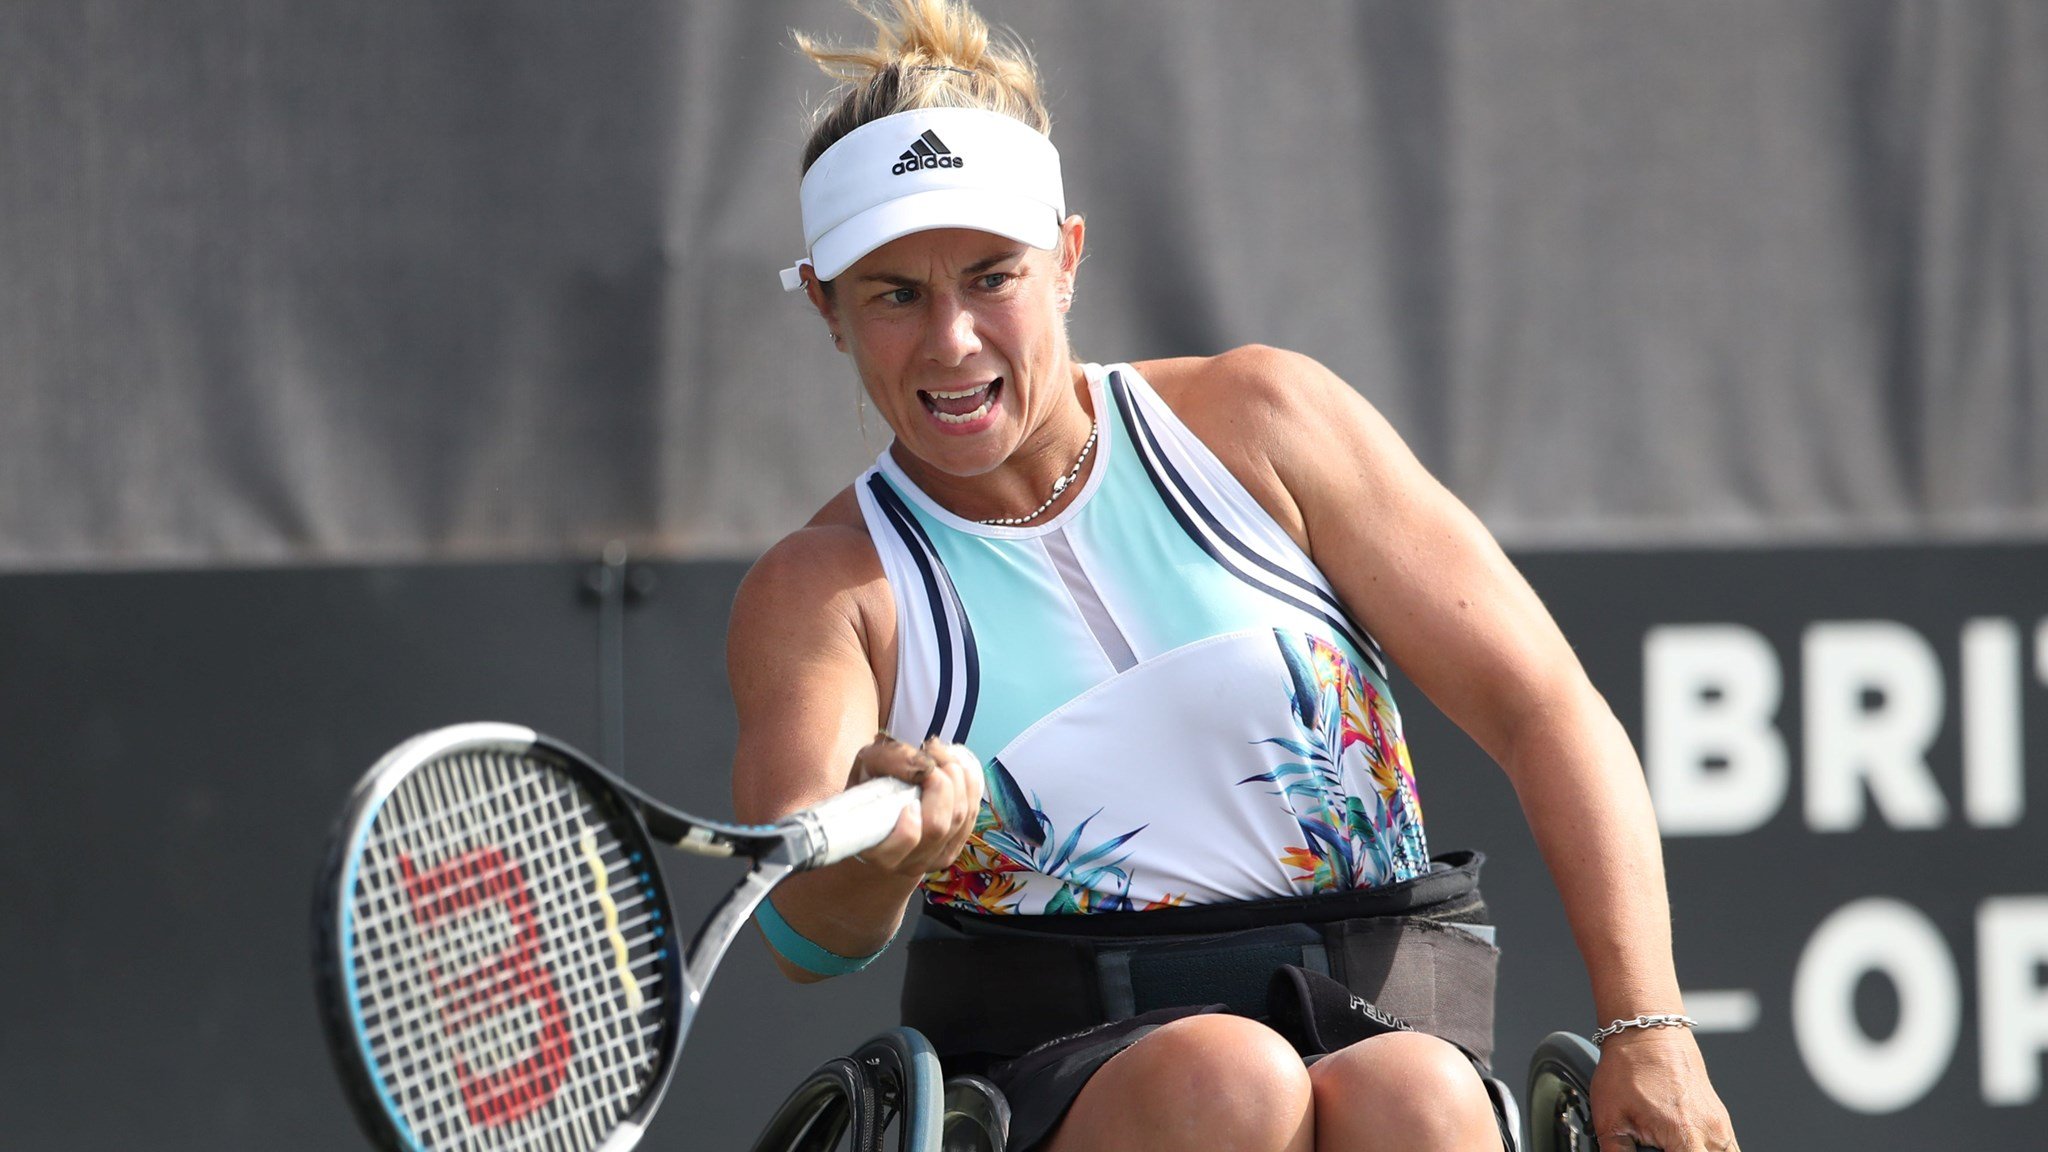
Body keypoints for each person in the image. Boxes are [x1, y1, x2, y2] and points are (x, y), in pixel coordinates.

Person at [728, 2, 1739, 1150]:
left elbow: (1542, 707)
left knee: (1414, 1096)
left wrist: (1648, 1027)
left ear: (1064, 260)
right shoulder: (819, 590)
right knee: (1230, 1079)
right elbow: (805, 931)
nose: (951, 339)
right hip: (1055, 1075)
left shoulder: (1265, 419)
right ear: (827, 305)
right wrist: (883, 862)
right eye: (894, 294)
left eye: (990, 276)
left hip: (1388, 1031)